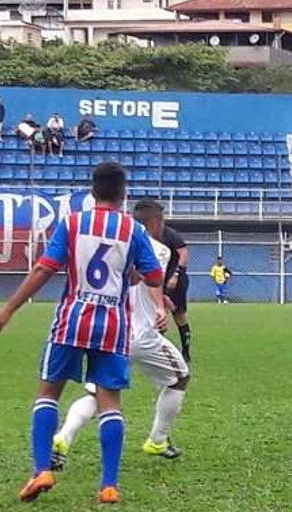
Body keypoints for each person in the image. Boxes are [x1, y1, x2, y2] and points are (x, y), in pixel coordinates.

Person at [0, 162, 164, 504]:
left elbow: (44, 269)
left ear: (92, 192)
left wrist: (8, 309)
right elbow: (153, 277)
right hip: (112, 326)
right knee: (110, 403)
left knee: (48, 394)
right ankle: (108, 485)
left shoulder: (74, 223)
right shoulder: (133, 230)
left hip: (72, 319)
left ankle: (41, 471)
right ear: (124, 194)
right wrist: (132, 274)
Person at [52, 199, 191, 471]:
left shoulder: (116, 241)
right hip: (141, 334)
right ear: (155, 223)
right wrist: (160, 306)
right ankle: (158, 440)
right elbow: (152, 280)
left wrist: (160, 300)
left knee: (98, 393)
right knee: (181, 378)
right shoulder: (158, 249)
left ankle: (63, 437)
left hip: (111, 331)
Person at [159, 209, 193, 362]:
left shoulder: (170, 234)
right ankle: (159, 352)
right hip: (158, 281)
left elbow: (184, 254)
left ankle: (185, 352)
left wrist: (176, 274)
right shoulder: (146, 235)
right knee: (158, 315)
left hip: (175, 282)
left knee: (178, 315)